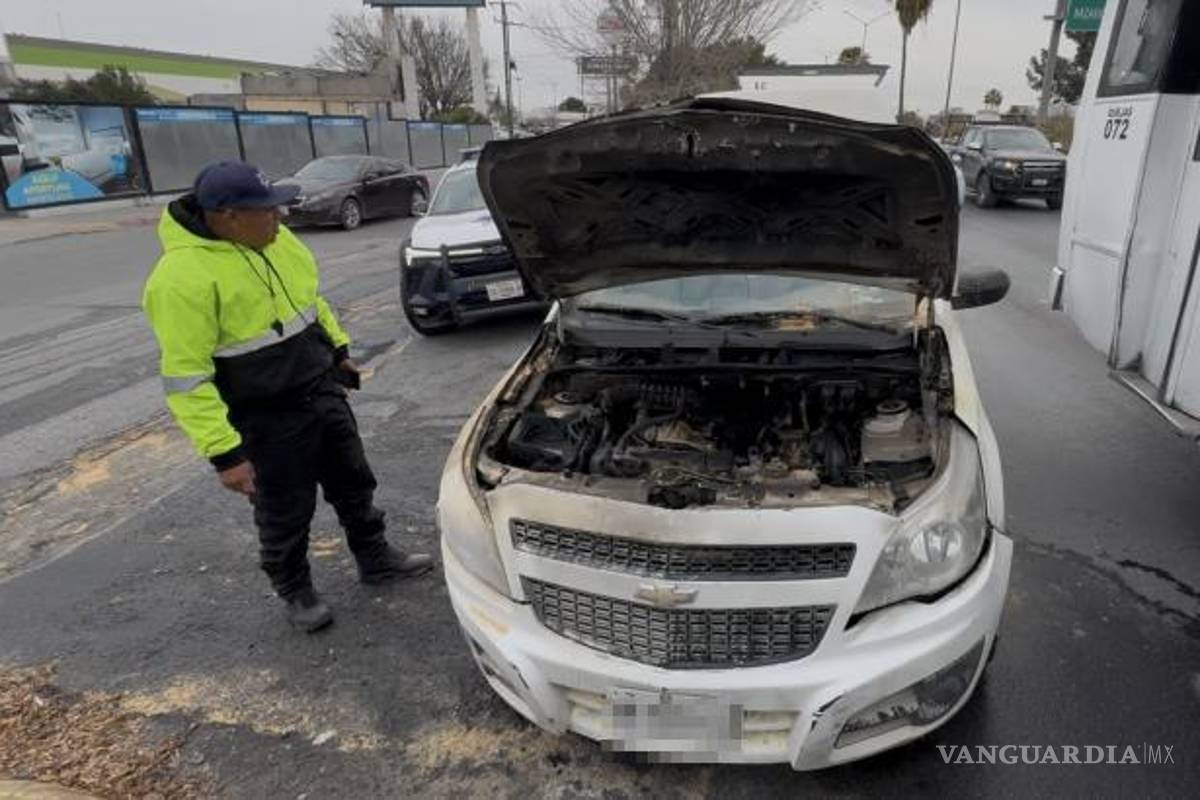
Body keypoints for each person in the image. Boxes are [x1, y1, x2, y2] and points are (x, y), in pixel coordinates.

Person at [142, 161, 432, 633]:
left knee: (354, 483)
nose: (280, 218)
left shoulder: (279, 242)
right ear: (229, 215)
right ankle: (295, 591)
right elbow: (186, 380)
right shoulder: (180, 280)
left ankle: (375, 559)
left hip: (320, 390)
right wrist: (225, 455)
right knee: (283, 511)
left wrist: (337, 351)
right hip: (266, 417)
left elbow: (309, 303)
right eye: (267, 211)